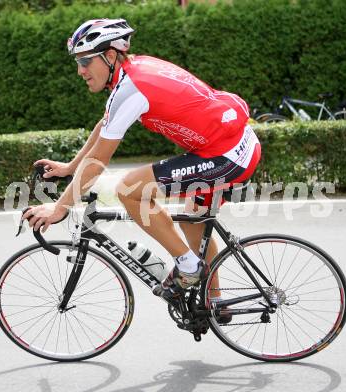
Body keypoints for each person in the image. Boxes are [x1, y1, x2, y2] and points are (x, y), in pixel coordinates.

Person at [22, 18, 261, 300]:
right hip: (235, 144)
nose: (79, 70)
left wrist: (60, 208)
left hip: (226, 154)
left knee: (130, 190)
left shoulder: (132, 87)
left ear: (109, 56)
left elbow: (99, 160)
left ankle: (188, 268)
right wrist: (70, 168)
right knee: (192, 220)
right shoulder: (134, 69)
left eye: (85, 61)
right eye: (77, 62)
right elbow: (106, 124)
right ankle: (216, 303)